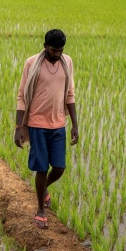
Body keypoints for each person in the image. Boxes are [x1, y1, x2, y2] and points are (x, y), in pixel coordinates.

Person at [14, 29, 79, 229]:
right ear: (45, 47)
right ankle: (41, 209)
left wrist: (75, 125)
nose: (57, 54)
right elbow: (22, 95)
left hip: (58, 123)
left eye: (60, 50)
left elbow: (70, 94)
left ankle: (43, 190)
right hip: (36, 124)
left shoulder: (67, 62)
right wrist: (19, 127)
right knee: (41, 167)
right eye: (53, 50)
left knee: (59, 167)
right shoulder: (32, 63)